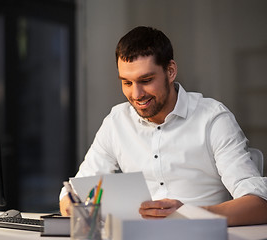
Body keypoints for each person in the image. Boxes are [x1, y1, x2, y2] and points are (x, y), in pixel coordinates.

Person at [59, 26, 267, 226]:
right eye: (127, 82)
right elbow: (72, 195)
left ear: (170, 71)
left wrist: (190, 214)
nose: (136, 94)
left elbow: (260, 205)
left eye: (146, 80)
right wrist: (73, 206)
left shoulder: (213, 119)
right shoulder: (116, 121)